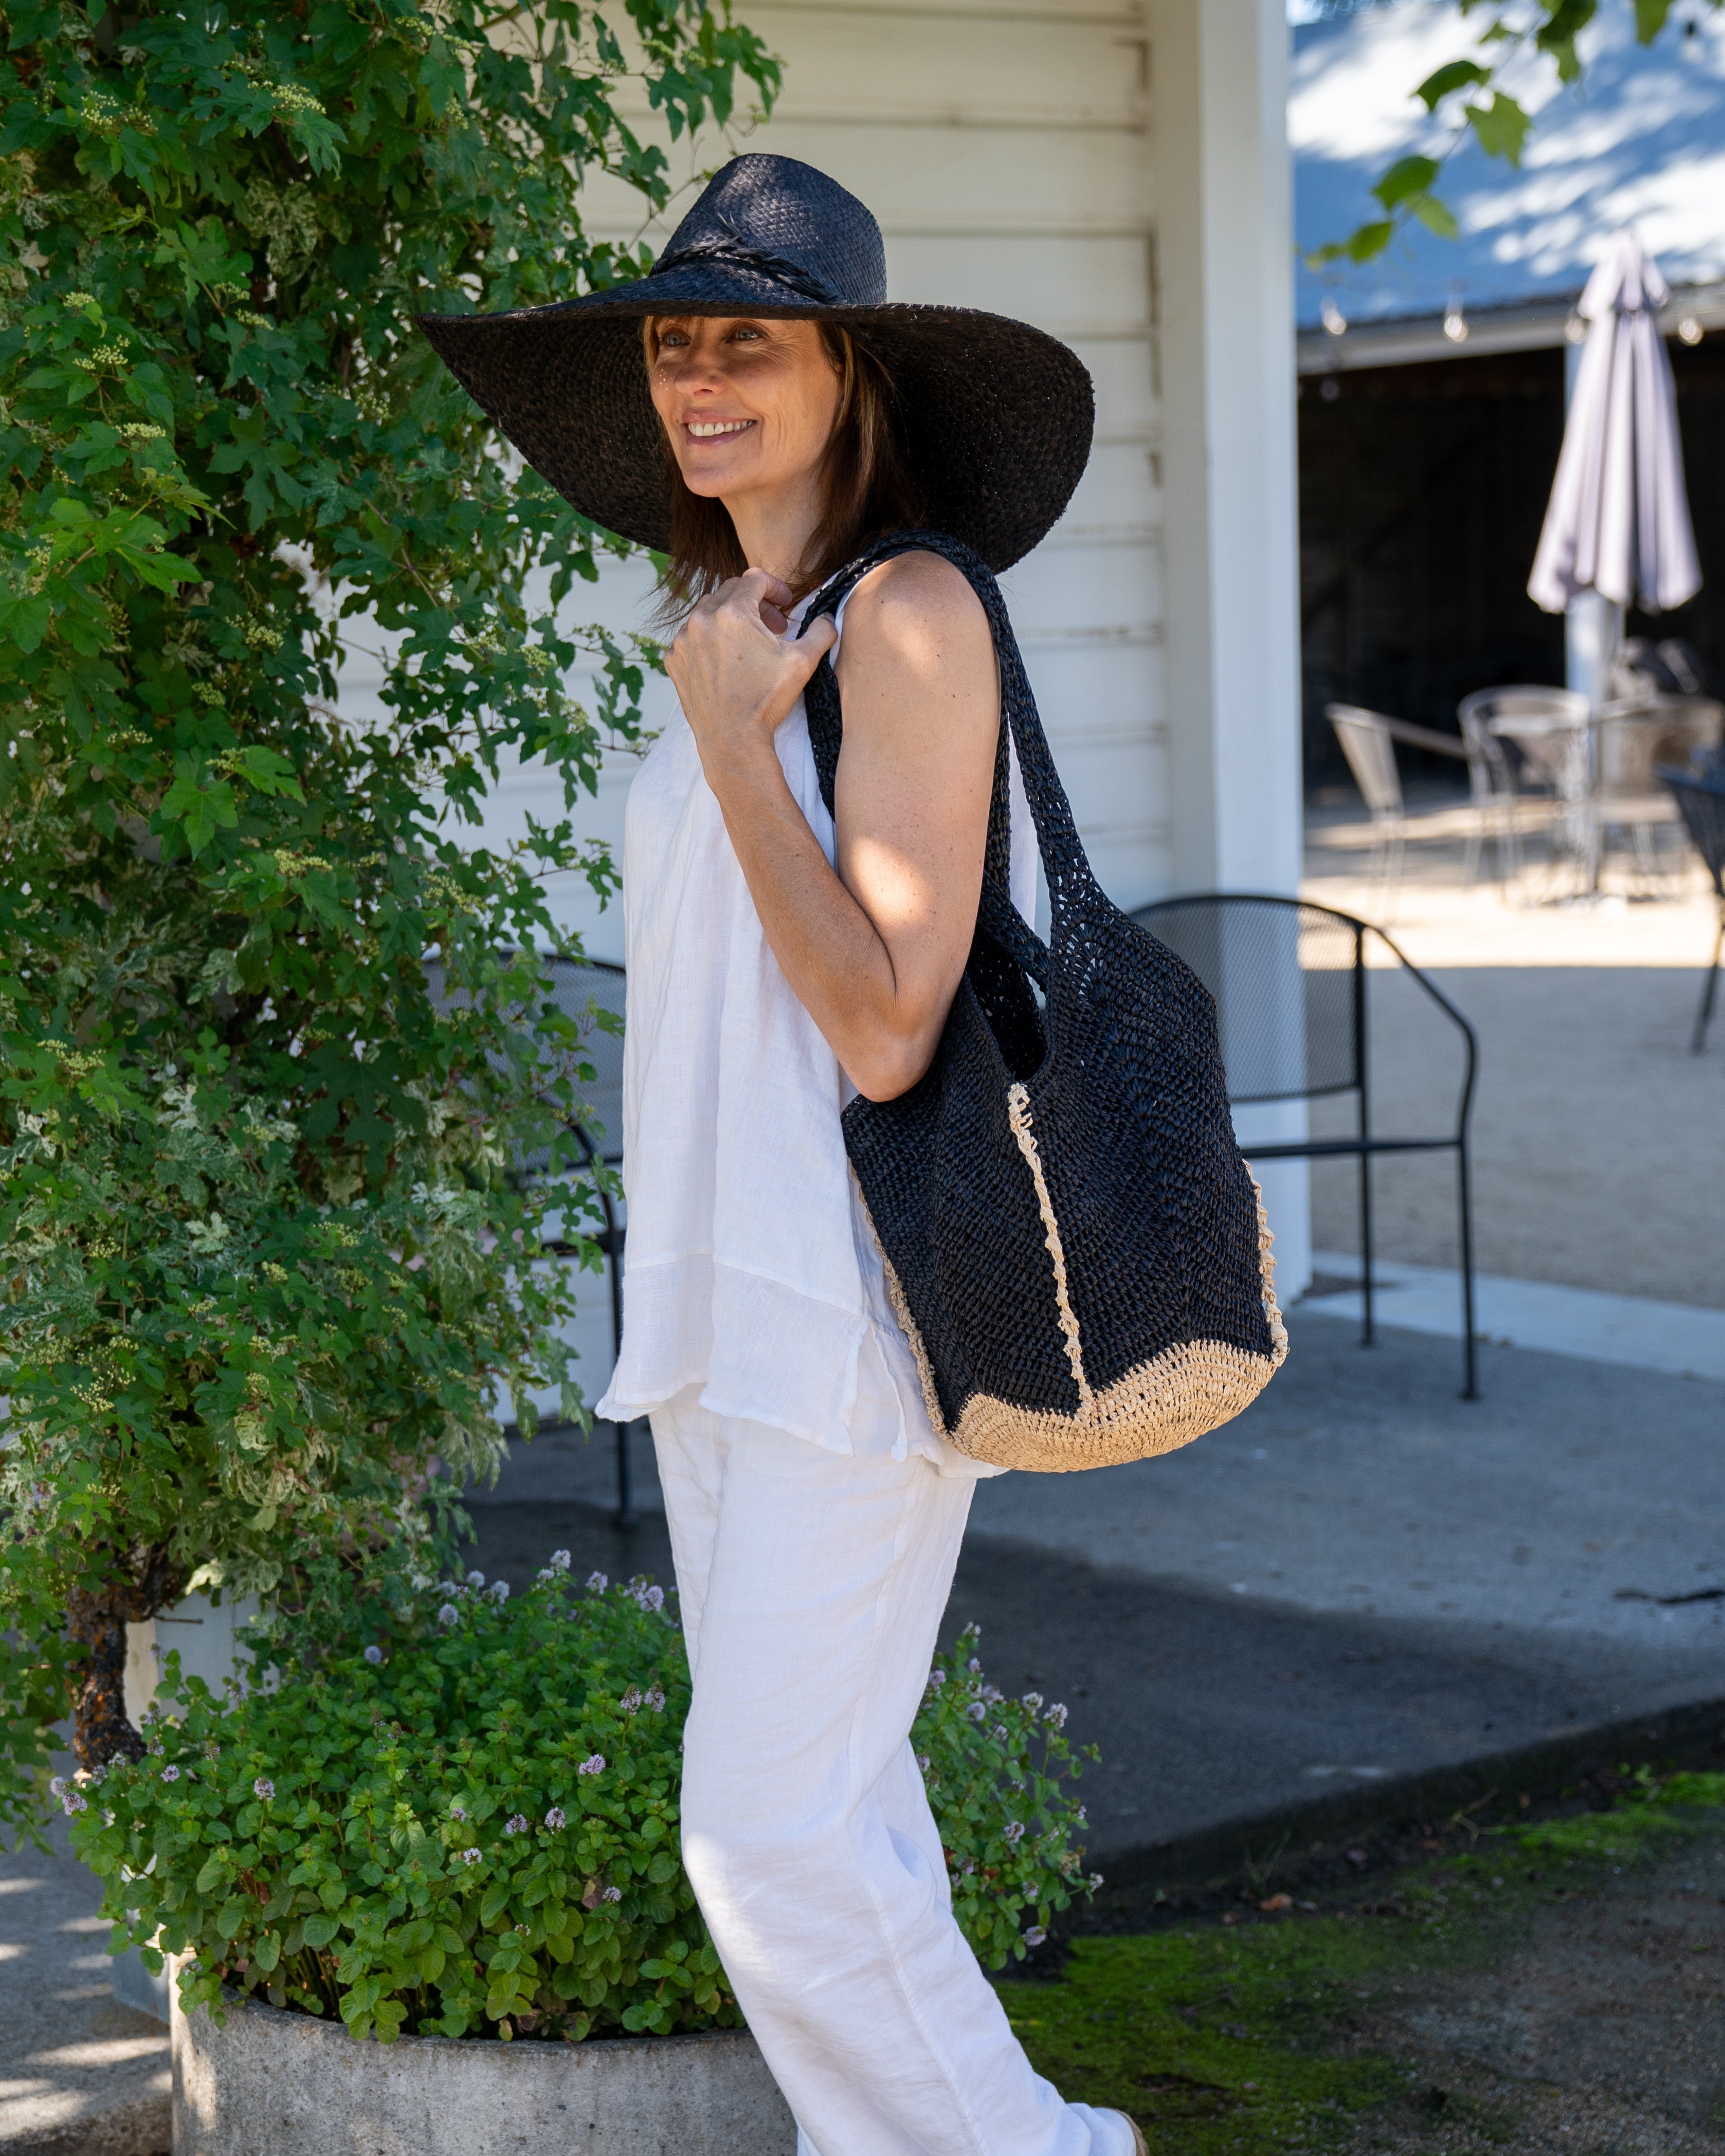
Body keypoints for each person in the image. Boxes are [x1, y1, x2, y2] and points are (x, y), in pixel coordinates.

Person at [421, 154, 1142, 2156]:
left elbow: (886, 1013)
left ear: (851, 373)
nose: (702, 377)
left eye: (752, 337)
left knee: (766, 1832)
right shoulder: (729, 616)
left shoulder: (900, 614)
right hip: (716, 1304)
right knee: (847, 1819)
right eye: (673, 342)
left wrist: (742, 745)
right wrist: (726, 709)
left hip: (850, 1301)